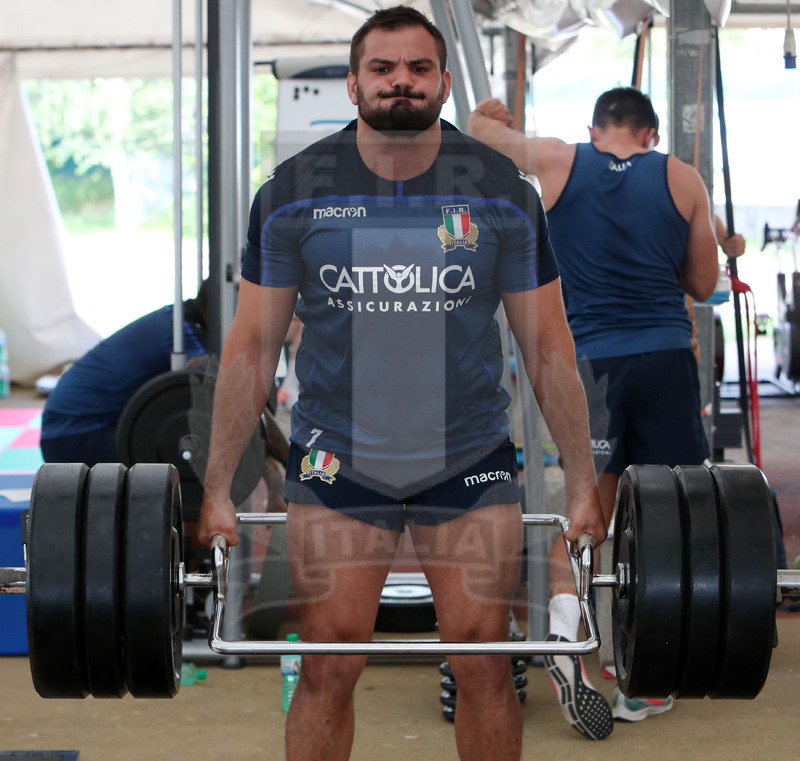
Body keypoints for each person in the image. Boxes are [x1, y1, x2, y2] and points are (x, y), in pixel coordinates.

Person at [197, 6, 607, 760]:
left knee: (485, 661)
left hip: (470, 456)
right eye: (383, 69)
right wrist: (217, 485)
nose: (400, 83)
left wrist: (582, 479)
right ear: (353, 83)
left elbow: (547, 344)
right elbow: (249, 350)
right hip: (336, 460)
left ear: (444, 84)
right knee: (327, 662)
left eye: (418, 69)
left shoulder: (501, 192)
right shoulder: (291, 193)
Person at [469, 90, 745, 734]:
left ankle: (567, 636)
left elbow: (483, 136)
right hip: (665, 360)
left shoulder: (561, 160)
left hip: (588, 367)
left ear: (596, 129)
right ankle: (646, 683)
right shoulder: (680, 175)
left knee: (588, 506)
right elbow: (704, 286)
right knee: (670, 518)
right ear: (649, 134)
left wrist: (492, 113)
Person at [40, 283, 209, 466]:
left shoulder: (176, 317)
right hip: (75, 435)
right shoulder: (180, 329)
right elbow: (209, 372)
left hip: (65, 432)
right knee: (187, 442)